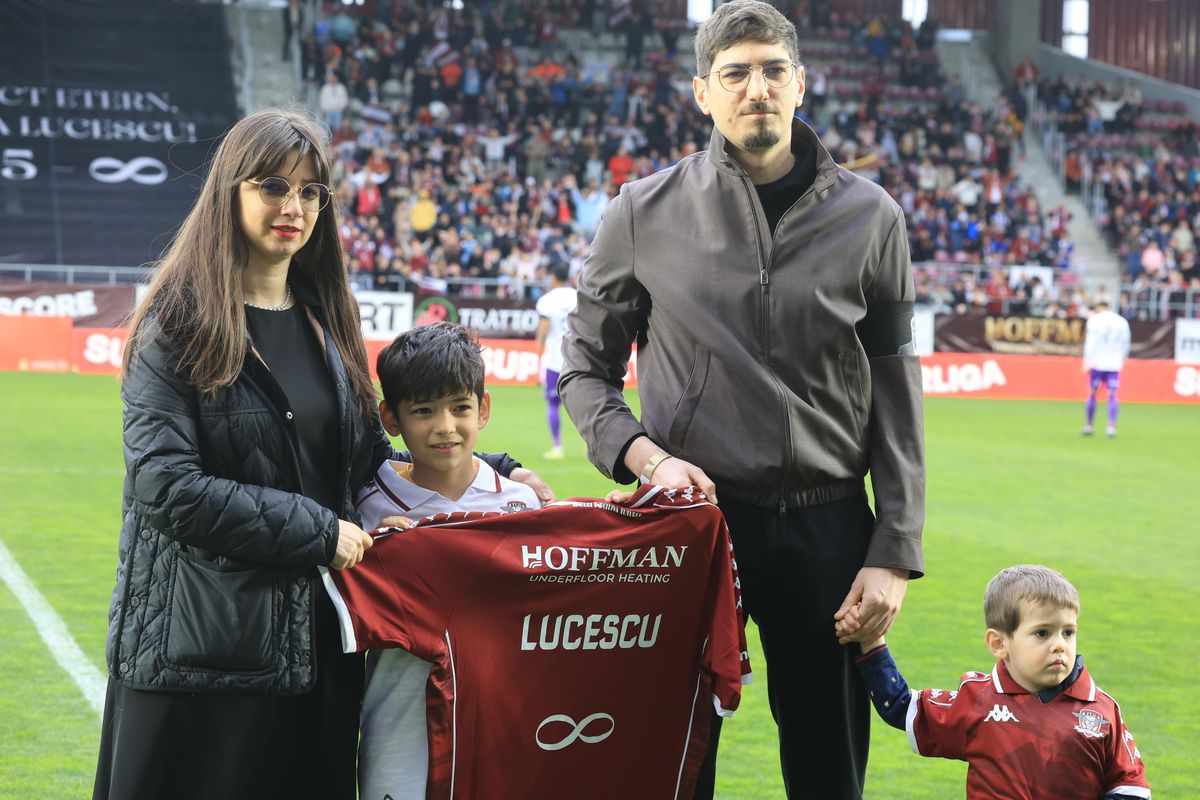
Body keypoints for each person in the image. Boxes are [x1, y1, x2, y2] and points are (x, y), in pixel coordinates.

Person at [92, 110, 550, 800]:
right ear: (230, 193)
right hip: (200, 656)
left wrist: (496, 470)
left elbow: (364, 457)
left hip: (316, 645)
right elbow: (167, 488)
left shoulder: (325, 317)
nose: (293, 207)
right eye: (272, 186)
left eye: (311, 192)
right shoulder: (176, 326)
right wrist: (319, 531)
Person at [559, 2, 925, 797]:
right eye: (735, 74)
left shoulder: (873, 219)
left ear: (801, 83)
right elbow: (583, 374)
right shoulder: (640, 213)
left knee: (829, 772)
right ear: (703, 93)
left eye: (771, 71)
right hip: (692, 526)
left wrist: (894, 548)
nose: (755, 88)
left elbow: (897, 387)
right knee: (673, 763)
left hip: (829, 525)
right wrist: (647, 458)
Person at [351, 321, 540, 800]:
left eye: (460, 408)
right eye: (424, 411)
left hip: (500, 726)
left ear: (483, 409)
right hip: (398, 731)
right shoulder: (367, 508)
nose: (445, 427)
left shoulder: (520, 504)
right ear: (391, 419)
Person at [846, 565, 1151, 799]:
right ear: (999, 643)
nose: (1060, 645)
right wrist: (872, 641)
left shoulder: (1102, 711)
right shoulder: (978, 701)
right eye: (1042, 633)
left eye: (1068, 632)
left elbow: (1131, 786)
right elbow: (901, 706)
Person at [535, 263, 578, 459]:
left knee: (553, 404)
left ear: (553, 278)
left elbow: (543, 331)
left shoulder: (546, 301)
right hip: (578, 358)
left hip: (555, 360)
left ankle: (557, 447)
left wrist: (538, 362)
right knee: (584, 404)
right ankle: (592, 447)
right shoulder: (579, 295)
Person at [1081, 301, 1131, 437]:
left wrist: (1086, 362)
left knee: (1092, 393)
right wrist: (1121, 359)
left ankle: (1089, 426)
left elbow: (1090, 343)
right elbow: (1126, 343)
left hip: (1097, 363)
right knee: (1113, 395)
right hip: (1114, 364)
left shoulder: (1095, 320)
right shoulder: (1122, 322)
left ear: (1099, 308)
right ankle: (1111, 427)